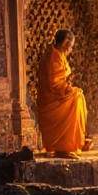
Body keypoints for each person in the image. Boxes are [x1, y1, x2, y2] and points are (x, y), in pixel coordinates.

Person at [36, 29, 88, 158]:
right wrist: (68, 88)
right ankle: (65, 147)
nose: (71, 49)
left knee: (78, 94)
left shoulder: (59, 55)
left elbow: (60, 77)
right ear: (66, 43)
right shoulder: (54, 56)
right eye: (71, 45)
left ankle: (69, 144)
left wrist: (68, 82)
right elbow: (53, 84)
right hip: (51, 99)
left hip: (57, 95)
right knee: (77, 97)